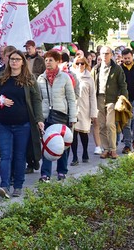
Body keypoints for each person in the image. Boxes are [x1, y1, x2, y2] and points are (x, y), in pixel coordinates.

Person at [0, 49, 44, 198]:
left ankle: (18, 186)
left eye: (17, 59)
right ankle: (4, 185)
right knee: (5, 155)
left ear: (23, 62)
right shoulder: (0, 77)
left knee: (19, 156)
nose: (14, 61)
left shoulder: (30, 79)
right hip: (3, 124)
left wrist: (39, 119)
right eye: (12, 59)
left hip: (23, 124)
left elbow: (36, 100)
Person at [38, 50, 77, 180]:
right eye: (46, 60)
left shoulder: (65, 77)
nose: (48, 63)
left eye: (51, 60)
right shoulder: (41, 78)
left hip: (61, 115)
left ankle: (62, 171)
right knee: (47, 143)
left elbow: (71, 98)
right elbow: (38, 99)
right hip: (46, 116)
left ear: (57, 62)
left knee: (62, 144)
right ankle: (45, 174)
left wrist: (72, 118)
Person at [93, 46, 128, 159]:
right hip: (99, 98)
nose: (104, 55)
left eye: (107, 53)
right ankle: (105, 149)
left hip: (112, 99)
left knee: (110, 124)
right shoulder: (96, 68)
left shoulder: (117, 68)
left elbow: (122, 85)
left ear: (111, 55)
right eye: (102, 53)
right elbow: (92, 84)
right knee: (102, 125)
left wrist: (123, 99)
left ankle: (113, 149)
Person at [70, 55, 97, 165]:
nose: (80, 65)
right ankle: (75, 157)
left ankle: (85, 152)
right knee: (73, 133)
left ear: (86, 65)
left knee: (84, 133)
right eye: (77, 63)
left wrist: (93, 112)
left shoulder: (89, 78)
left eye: (82, 63)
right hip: (73, 108)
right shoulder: (70, 76)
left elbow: (92, 96)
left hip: (85, 108)